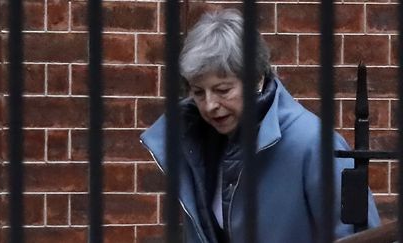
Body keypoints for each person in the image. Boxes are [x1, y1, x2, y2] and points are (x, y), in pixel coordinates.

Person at [140, 9, 380, 243]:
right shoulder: (194, 143)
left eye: (223, 90)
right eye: (198, 92)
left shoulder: (312, 144)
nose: (210, 105)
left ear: (257, 79)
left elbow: (360, 236)